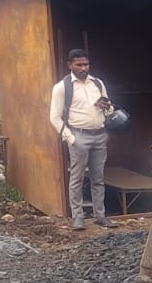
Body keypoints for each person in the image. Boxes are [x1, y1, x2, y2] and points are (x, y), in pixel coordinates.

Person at [49, 48, 114, 229]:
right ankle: (78, 218)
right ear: (70, 65)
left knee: (98, 179)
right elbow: (54, 117)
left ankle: (100, 216)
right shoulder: (62, 87)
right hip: (78, 135)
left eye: (86, 64)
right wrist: (70, 138)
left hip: (99, 135)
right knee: (77, 179)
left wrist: (107, 107)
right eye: (79, 65)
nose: (84, 68)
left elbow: (110, 109)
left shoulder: (97, 83)